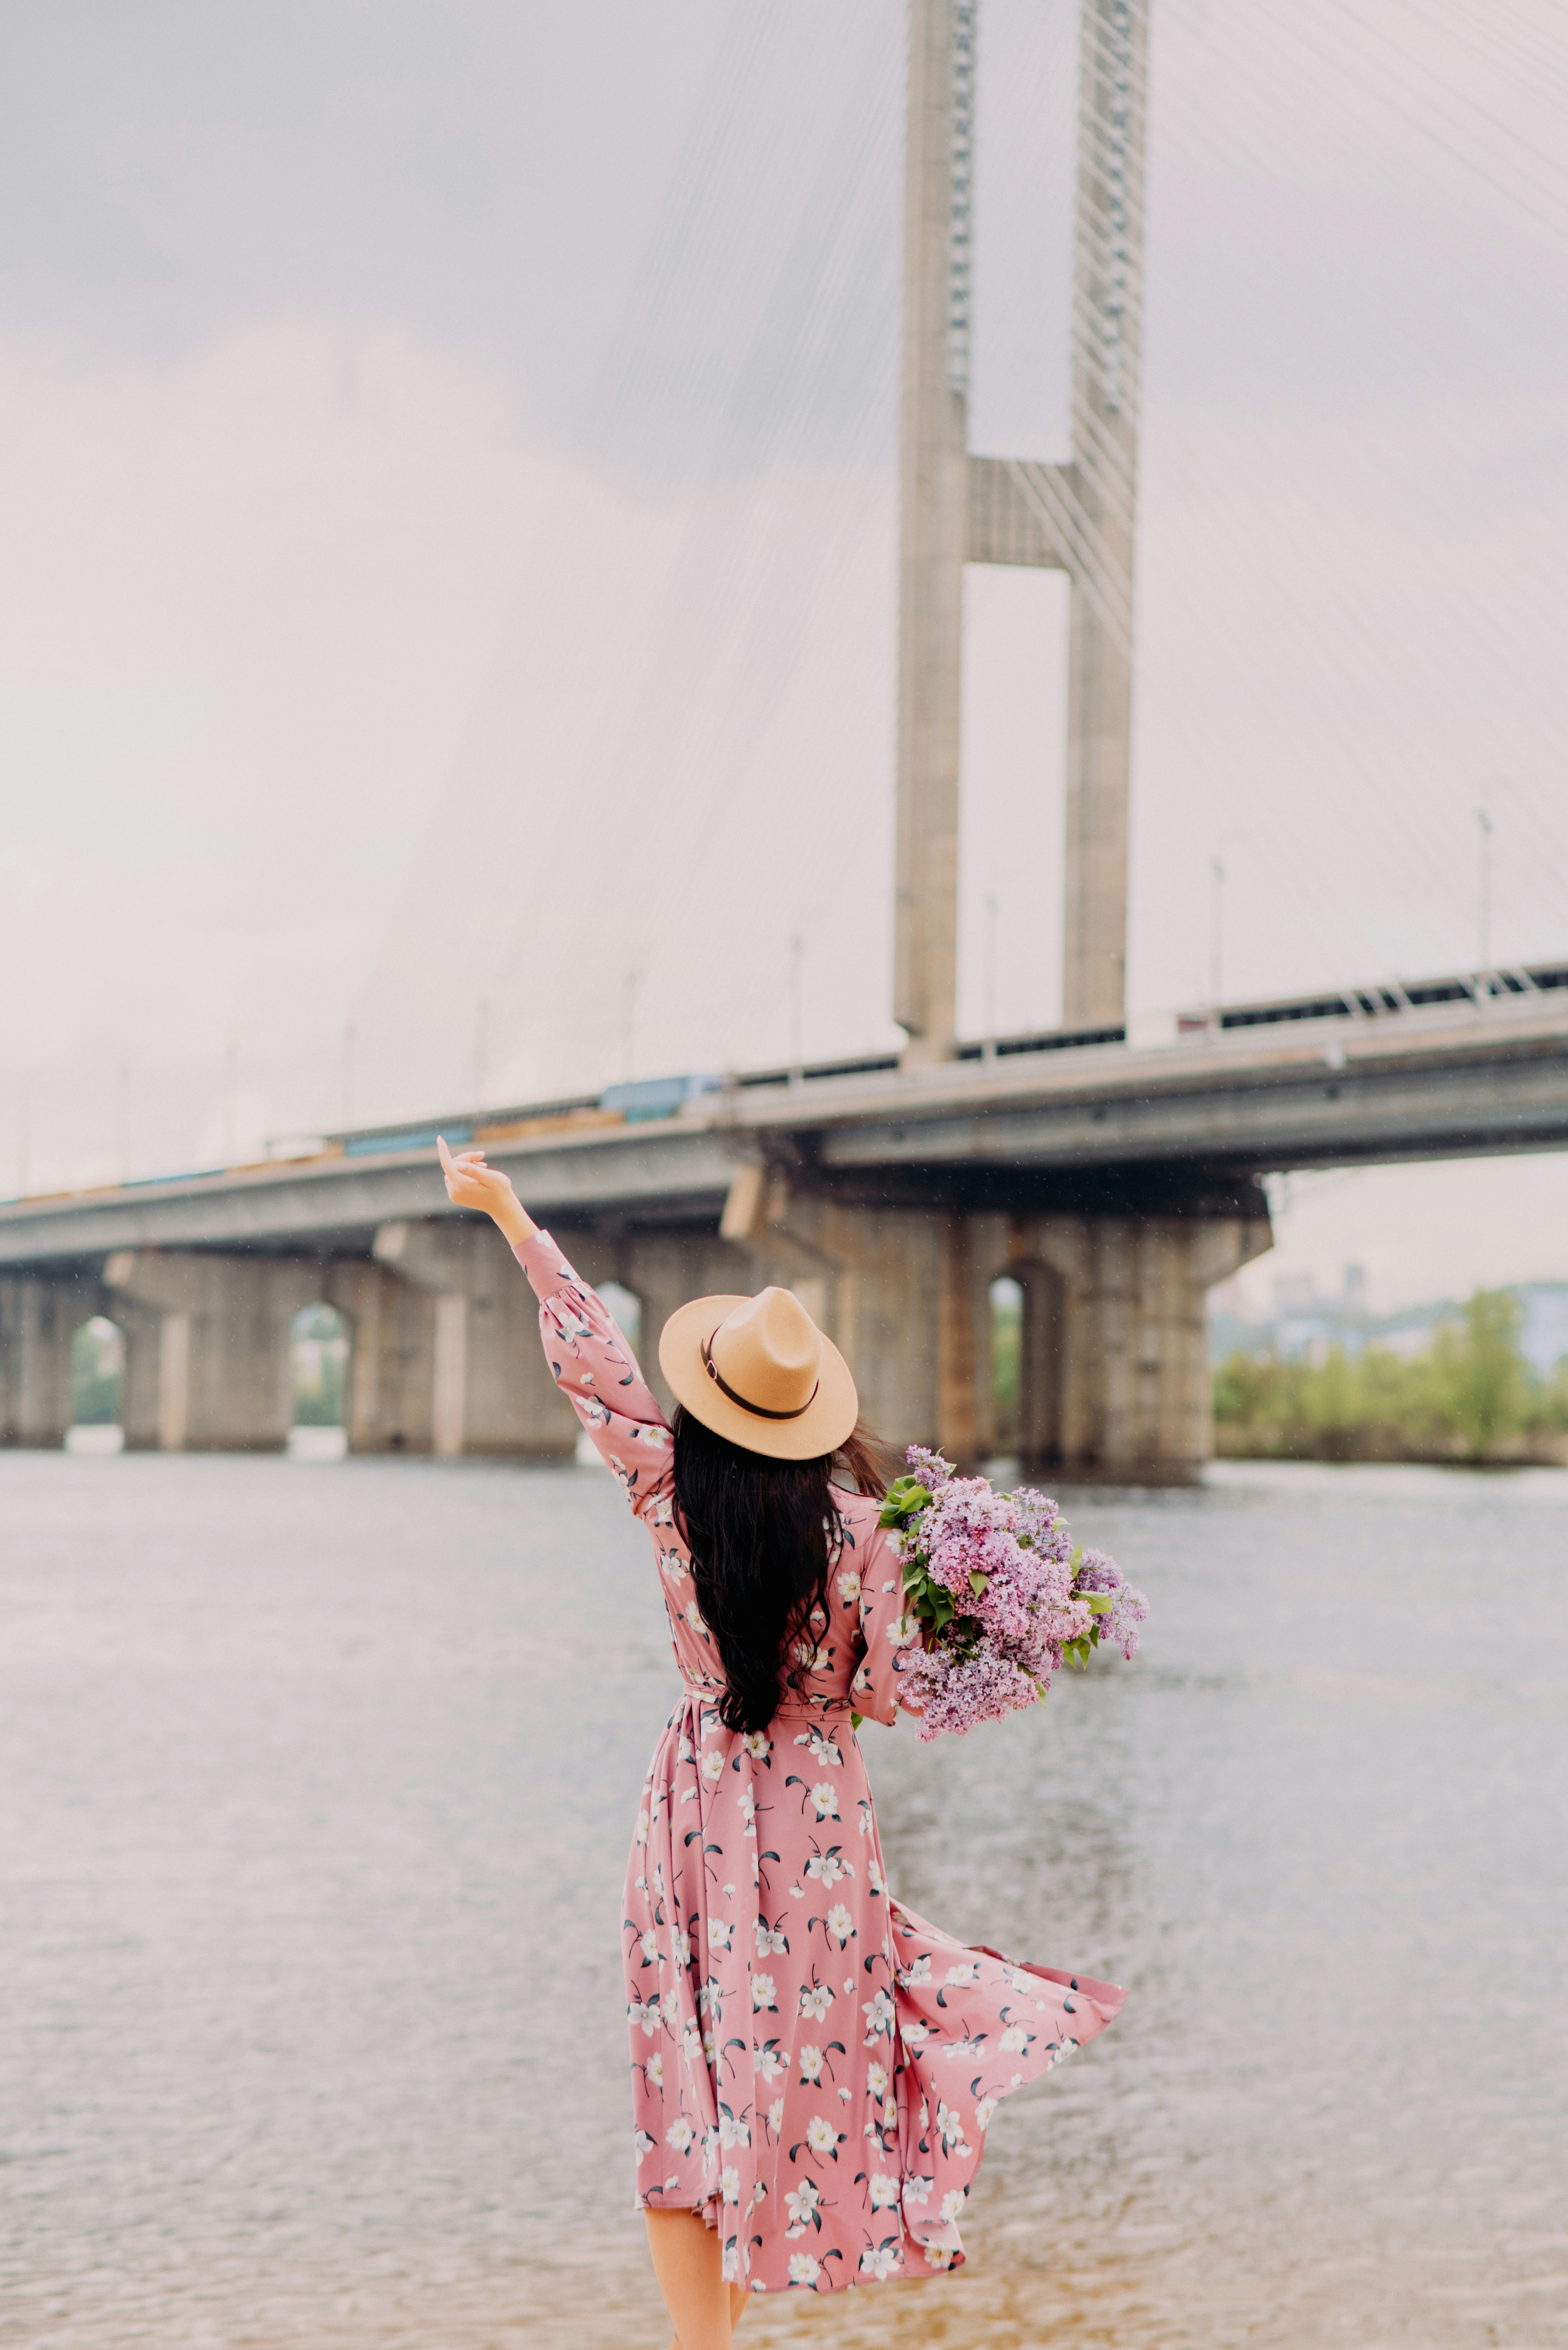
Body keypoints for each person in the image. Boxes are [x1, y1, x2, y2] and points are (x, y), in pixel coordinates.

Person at [437, 1136, 1126, 2350]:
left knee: (684, 2074)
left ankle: (697, 2346)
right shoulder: (873, 1536)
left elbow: (593, 1362)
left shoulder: (668, 1493)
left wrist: (510, 1215)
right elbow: (902, 1698)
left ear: (711, 1396)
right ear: (813, 1415)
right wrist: (995, 1631)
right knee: (792, 2064)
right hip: (815, 1812)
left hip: (697, 1798)